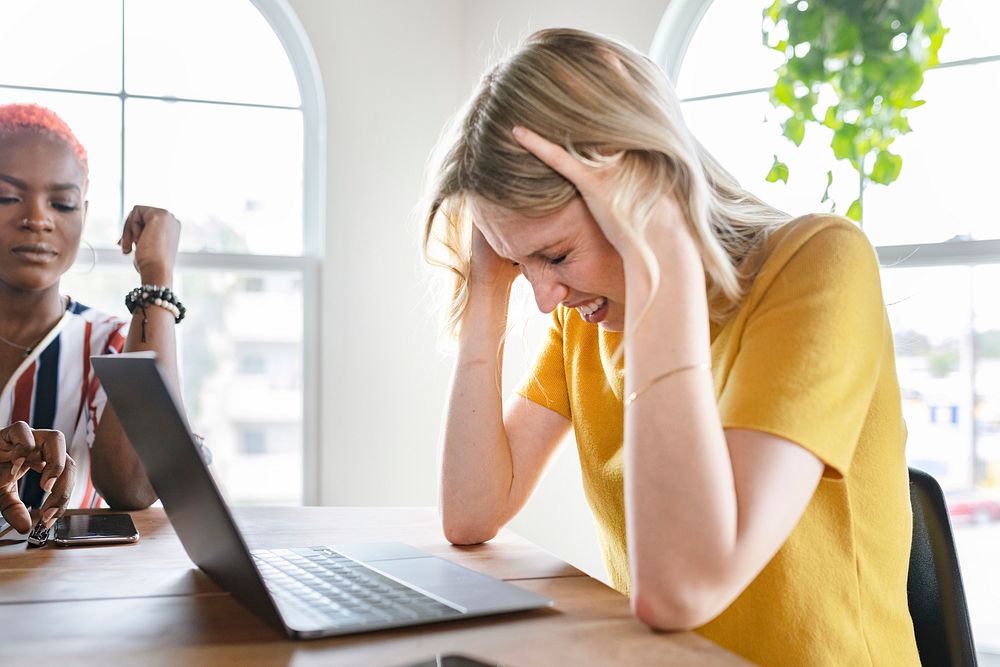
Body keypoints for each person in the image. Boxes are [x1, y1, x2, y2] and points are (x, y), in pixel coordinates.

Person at [421, 29, 918, 665]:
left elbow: (681, 590)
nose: (545, 298)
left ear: (644, 187)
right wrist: (485, 300)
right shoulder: (588, 320)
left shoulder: (818, 264)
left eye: (556, 255)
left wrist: (661, 258)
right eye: (522, 263)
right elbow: (470, 514)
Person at [0, 103, 185, 533]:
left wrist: (156, 279)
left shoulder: (110, 342)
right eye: (7, 197)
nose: (37, 220)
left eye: (62, 204)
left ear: (83, 213)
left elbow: (135, 486)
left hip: (63, 594)